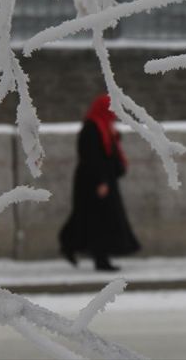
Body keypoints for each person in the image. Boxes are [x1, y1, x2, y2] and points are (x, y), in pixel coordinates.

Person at [59, 94, 140, 271]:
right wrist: (101, 181)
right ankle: (99, 258)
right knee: (99, 219)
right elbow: (91, 157)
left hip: (103, 179)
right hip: (93, 181)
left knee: (90, 218)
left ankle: (71, 245)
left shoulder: (105, 128)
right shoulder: (92, 128)